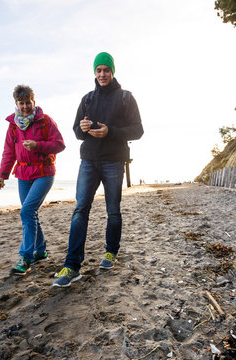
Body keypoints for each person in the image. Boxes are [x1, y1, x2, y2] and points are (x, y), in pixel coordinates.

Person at [53, 52, 143, 287]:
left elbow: (138, 130)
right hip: (89, 161)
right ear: (94, 72)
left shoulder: (125, 98)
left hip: (114, 161)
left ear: (112, 71)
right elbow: (76, 131)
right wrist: (83, 128)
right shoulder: (87, 99)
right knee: (80, 210)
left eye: (106, 70)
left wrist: (110, 131)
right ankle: (72, 266)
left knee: (113, 210)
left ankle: (111, 252)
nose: (102, 74)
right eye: (98, 70)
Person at [0, 85, 65, 276]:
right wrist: (2, 175)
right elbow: (9, 152)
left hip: (44, 172)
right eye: (21, 103)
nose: (25, 106)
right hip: (23, 175)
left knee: (27, 211)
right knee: (31, 214)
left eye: (28, 102)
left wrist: (38, 146)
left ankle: (25, 257)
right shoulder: (13, 126)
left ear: (33, 101)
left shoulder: (45, 121)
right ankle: (41, 251)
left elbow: (59, 145)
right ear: (16, 104)